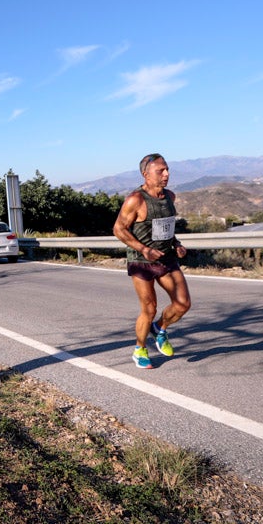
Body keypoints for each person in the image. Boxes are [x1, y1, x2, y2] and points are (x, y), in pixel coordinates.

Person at [113, 153, 192, 369]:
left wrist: (176, 244)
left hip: (166, 258)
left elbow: (166, 226)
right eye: (161, 171)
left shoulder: (170, 197)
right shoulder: (135, 200)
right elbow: (118, 229)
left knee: (183, 303)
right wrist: (143, 249)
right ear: (145, 174)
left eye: (167, 170)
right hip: (141, 260)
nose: (166, 174)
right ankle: (140, 350)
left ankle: (160, 328)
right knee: (149, 308)